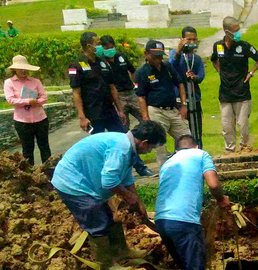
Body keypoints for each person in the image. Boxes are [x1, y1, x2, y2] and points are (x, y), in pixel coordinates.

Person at [51, 120, 167, 268]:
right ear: (144, 143)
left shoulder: (126, 145)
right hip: (73, 184)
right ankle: (105, 264)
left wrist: (137, 200)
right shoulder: (121, 148)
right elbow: (109, 182)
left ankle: (121, 252)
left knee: (110, 219)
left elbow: (126, 177)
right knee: (98, 223)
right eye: (152, 147)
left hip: (86, 183)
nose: (149, 151)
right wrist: (127, 195)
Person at [154, 134, 230, 269]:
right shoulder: (200, 154)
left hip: (161, 220)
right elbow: (213, 184)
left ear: (176, 150)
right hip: (184, 221)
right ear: (196, 146)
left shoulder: (167, 163)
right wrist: (221, 199)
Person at [100, 35, 154, 177]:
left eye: (111, 46)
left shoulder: (120, 57)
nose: (110, 49)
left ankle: (146, 147)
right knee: (123, 132)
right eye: (107, 47)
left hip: (131, 92)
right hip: (118, 96)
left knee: (146, 121)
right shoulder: (102, 63)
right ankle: (134, 166)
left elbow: (133, 70)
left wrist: (136, 85)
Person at [211, 16, 258, 152]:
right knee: (227, 127)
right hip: (225, 93)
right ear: (226, 31)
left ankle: (244, 150)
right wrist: (220, 72)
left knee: (243, 126)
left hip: (242, 92)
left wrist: (251, 73)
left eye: (238, 30)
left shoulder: (244, 46)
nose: (238, 33)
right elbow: (214, 60)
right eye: (235, 31)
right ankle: (230, 153)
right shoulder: (218, 46)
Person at [136, 39, 191, 164]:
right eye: (155, 56)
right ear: (146, 54)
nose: (158, 59)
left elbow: (180, 84)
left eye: (160, 56)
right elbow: (141, 97)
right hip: (156, 111)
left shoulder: (167, 67)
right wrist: (145, 117)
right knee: (159, 144)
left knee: (186, 137)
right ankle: (165, 171)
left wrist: (183, 105)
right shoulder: (142, 72)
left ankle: (187, 164)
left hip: (172, 109)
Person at [68, 32, 127, 134]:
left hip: (109, 110)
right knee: (98, 143)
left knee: (121, 136)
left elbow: (112, 87)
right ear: (88, 46)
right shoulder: (76, 65)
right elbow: (76, 92)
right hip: (92, 113)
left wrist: (120, 110)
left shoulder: (103, 62)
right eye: (97, 43)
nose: (100, 46)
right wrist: (82, 117)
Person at [3, 55, 51, 165]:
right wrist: (27, 101)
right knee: (27, 150)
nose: (23, 70)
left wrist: (37, 102)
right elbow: (10, 100)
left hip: (40, 119)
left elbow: (44, 97)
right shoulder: (9, 83)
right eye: (20, 68)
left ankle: (49, 173)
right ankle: (30, 176)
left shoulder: (35, 81)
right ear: (14, 69)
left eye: (25, 68)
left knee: (44, 147)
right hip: (22, 121)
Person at [169, 26, 206, 149]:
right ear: (182, 39)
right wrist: (179, 51)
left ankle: (199, 150)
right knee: (182, 132)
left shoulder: (197, 58)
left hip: (194, 97)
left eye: (194, 39)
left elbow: (201, 77)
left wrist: (194, 77)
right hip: (180, 99)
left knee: (197, 130)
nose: (191, 42)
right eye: (188, 39)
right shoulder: (174, 54)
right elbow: (170, 68)